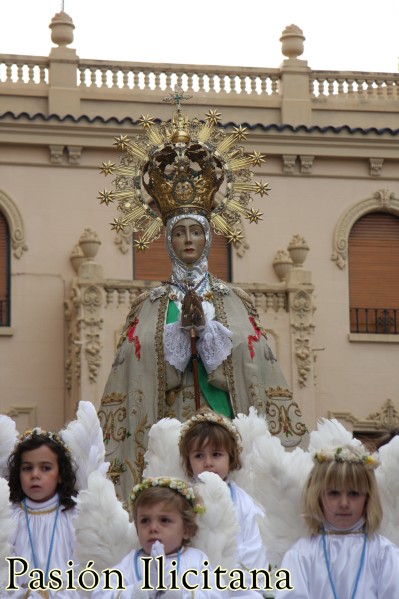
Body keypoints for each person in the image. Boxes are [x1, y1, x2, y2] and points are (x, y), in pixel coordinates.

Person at [97, 94, 308, 500]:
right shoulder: (149, 304)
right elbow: (132, 369)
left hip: (222, 433)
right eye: (179, 232)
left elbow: (255, 363)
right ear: (167, 239)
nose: (188, 240)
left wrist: (210, 337)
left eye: (195, 231)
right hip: (167, 431)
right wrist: (176, 338)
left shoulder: (234, 300)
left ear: (209, 236)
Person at [274, 444, 399, 598]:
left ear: (367, 498)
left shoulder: (384, 554)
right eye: (334, 493)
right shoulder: (301, 555)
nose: (344, 503)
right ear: (318, 496)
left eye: (354, 493)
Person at [178, 409, 269, 597]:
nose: (208, 462)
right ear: (188, 461)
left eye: (216, 454)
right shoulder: (182, 500)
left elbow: (253, 548)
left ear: (231, 457)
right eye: (199, 456)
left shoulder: (244, 503)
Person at [90, 476, 229, 598]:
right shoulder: (130, 562)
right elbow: (100, 594)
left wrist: (179, 594)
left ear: (186, 530)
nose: (153, 528)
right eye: (145, 521)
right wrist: (139, 590)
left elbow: (218, 594)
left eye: (164, 520)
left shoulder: (196, 560)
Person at [6, 428, 83, 598]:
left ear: (61, 474)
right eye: (27, 468)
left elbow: (83, 571)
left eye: (45, 468)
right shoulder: (8, 517)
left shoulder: (74, 516)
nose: (35, 475)